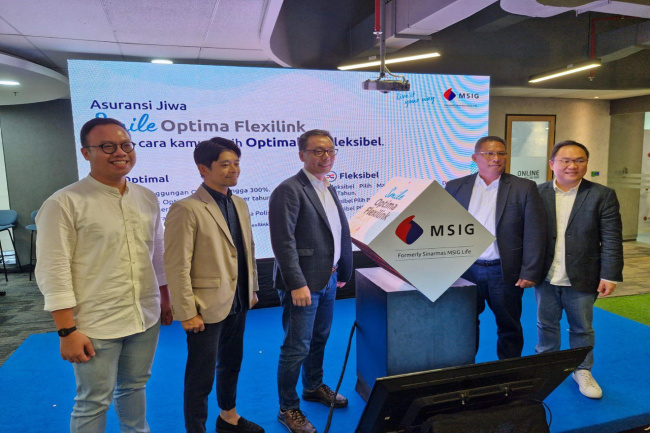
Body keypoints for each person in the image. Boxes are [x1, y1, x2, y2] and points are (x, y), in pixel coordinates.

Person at [35, 117, 172, 433]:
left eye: (125, 145)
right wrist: (66, 330)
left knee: (134, 387)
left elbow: (156, 253)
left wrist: (165, 298)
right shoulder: (64, 203)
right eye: (107, 146)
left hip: (144, 315)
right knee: (93, 401)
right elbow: (53, 269)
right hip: (95, 322)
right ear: (86, 153)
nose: (120, 152)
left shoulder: (146, 197)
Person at [164, 137, 264, 433]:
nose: (233, 169)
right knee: (200, 376)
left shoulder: (240, 203)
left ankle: (228, 417)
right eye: (225, 164)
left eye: (236, 163)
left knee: (231, 363)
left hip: (238, 299)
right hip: (205, 307)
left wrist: (252, 288)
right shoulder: (187, 208)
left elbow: (247, 249)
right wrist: (187, 312)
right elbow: (177, 265)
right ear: (203, 169)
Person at [269, 129, 353, 433]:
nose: (325, 156)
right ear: (301, 154)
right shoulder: (289, 190)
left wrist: (342, 271)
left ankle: (313, 386)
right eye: (317, 150)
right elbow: (283, 242)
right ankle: (287, 408)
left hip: (328, 278)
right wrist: (296, 283)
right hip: (303, 284)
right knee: (296, 348)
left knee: (319, 338)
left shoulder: (327, 186)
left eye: (330, 150)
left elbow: (338, 232)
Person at [535, 140, 623, 399]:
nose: (572, 165)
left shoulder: (602, 194)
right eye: (565, 160)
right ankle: (546, 367)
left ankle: (582, 370)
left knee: (582, 328)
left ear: (586, 163)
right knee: (546, 325)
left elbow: (612, 238)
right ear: (552, 164)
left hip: (584, 275)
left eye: (579, 160)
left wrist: (609, 275)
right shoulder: (536, 193)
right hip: (545, 275)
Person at [445, 135, 546, 360]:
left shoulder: (523, 188)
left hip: (504, 271)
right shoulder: (455, 187)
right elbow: (443, 227)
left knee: (509, 326)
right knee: (464, 324)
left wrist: (530, 271)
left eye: (501, 153)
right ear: (475, 158)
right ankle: (465, 370)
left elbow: (535, 233)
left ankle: (509, 372)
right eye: (489, 153)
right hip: (466, 270)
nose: (496, 158)